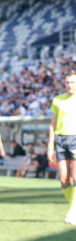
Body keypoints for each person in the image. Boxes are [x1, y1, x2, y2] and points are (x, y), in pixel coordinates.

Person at [48, 70, 76, 224]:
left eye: (72, 82)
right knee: (64, 179)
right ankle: (74, 207)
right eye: (67, 82)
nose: (69, 85)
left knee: (75, 177)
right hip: (60, 140)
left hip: (75, 139)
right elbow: (52, 125)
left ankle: (72, 212)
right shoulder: (58, 100)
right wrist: (50, 146)